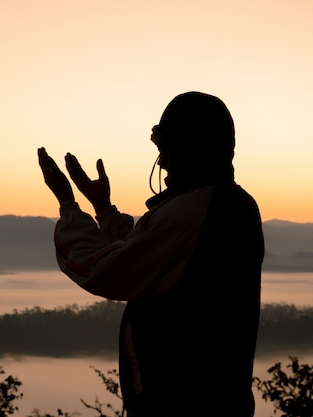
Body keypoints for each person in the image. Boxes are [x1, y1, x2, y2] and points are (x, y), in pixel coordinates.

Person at [38, 91, 264, 416]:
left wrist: (67, 204)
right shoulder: (233, 205)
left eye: (166, 150)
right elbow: (146, 253)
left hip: (180, 403)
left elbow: (106, 270)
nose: (163, 162)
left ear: (187, 149)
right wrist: (102, 208)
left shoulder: (194, 211)